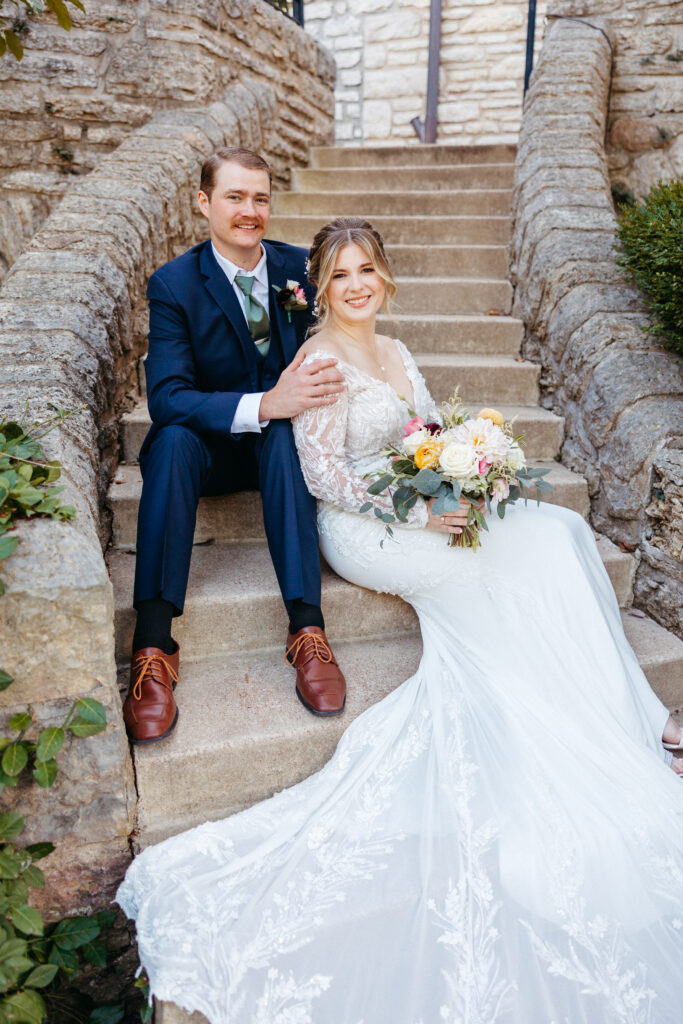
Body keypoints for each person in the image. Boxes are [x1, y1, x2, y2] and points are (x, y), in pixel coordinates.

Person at [117, 218, 683, 1021]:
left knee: (556, 530)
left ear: (384, 279)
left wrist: (469, 469)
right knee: (501, 570)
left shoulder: (396, 352)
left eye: (368, 271)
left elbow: (427, 432)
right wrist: (418, 515)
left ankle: (635, 712)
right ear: (322, 285)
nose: (356, 285)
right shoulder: (315, 358)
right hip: (364, 528)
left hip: (419, 504)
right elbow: (322, 476)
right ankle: (584, 715)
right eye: (341, 273)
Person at [122, 149, 348, 745]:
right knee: (168, 441)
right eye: (235, 197)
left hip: (281, 450)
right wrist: (263, 403)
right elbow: (168, 396)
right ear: (204, 202)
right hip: (209, 449)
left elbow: (341, 346)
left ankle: (307, 630)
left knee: (280, 433)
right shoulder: (174, 284)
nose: (250, 211)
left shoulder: (302, 267)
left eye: (261, 198)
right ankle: (152, 646)